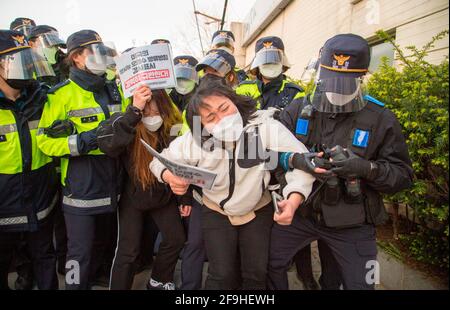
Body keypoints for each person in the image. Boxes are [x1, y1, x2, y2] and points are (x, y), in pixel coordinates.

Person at [269, 33, 414, 290]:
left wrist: (367, 168)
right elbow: (265, 155)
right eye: (331, 81)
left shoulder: (380, 118)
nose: (336, 90)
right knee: (268, 264)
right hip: (299, 211)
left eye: (344, 85)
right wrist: (295, 160)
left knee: (361, 283)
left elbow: (402, 175)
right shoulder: (298, 108)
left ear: (362, 76)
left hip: (352, 220)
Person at [149, 78, 315, 290]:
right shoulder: (195, 140)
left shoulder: (264, 127)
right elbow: (158, 160)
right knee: (221, 275)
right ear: (201, 124)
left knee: (256, 274)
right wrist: (169, 176)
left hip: (257, 209)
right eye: (211, 117)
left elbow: (301, 161)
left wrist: (293, 200)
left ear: (234, 101)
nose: (223, 119)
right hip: (215, 211)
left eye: (225, 108)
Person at [36, 29, 126, 290]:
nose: (101, 56)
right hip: (81, 183)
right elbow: (45, 142)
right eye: (93, 51)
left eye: (102, 50)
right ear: (76, 58)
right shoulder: (59, 95)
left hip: (114, 180)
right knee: (80, 251)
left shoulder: (114, 89)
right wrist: (85, 141)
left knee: (105, 244)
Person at [97, 84, 187, 290]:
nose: (151, 116)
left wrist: (184, 198)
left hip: (162, 194)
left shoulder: (173, 126)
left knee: (175, 239)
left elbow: (182, 166)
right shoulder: (126, 124)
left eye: (155, 111)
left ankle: (158, 280)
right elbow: (107, 144)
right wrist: (134, 112)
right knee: (128, 251)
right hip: (133, 195)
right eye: (145, 112)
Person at [0, 29, 58, 290]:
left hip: (40, 198)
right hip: (4, 203)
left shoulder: (42, 98)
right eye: (18, 61)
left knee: (45, 258)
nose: (27, 67)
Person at [236, 36, 304, 110]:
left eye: (275, 58)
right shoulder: (244, 88)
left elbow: (301, 120)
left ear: (283, 61)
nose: (270, 64)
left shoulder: (295, 93)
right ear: (258, 63)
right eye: (265, 59)